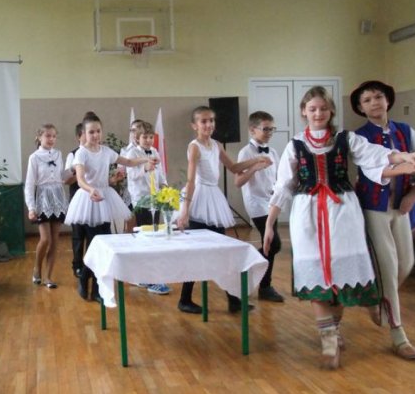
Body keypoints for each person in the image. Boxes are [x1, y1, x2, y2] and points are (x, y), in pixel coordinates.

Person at [263, 86, 415, 369]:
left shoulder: (345, 139)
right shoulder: (295, 145)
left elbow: (375, 155)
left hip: (343, 213)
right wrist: (270, 224)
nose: (318, 113)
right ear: (304, 112)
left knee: (342, 276)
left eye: (323, 108)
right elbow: (284, 185)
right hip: (307, 215)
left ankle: (336, 328)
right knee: (315, 275)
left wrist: (403, 158)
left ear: (331, 111)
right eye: (312, 109)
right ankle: (328, 340)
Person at [351, 80, 415, 360]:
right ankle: (399, 336)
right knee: (387, 268)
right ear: (361, 107)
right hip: (373, 209)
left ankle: (375, 298)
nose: (374, 103)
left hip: (400, 208)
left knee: (405, 264)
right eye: (367, 100)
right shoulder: (358, 137)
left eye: (378, 97)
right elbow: (373, 169)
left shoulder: (405, 131)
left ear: (388, 100)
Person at [176, 106, 271, 314]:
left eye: (211, 120)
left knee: (223, 251)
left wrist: (256, 161)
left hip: (214, 199)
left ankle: (233, 299)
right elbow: (191, 181)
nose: (209, 124)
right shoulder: (194, 147)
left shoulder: (217, 145)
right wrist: (185, 210)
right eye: (203, 121)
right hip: (200, 199)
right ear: (194, 126)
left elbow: (234, 168)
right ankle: (184, 299)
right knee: (196, 253)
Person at [65, 112, 156, 302]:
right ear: (84, 133)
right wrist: (91, 189)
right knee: (94, 245)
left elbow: (128, 162)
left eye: (98, 131)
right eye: (91, 132)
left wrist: (145, 160)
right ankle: (87, 281)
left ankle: (94, 287)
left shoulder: (106, 151)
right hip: (89, 201)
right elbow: (80, 180)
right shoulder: (81, 153)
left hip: (105, 198)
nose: (95, 135)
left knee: (104, 245)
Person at [235, 111, 284, 303]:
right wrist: (254, 167)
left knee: (269, 243)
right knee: (274, 243)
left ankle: (265, 286)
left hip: (271, 202)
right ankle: (246, 267)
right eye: (266, 129)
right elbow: (238, 182)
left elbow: (278, 178)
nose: (270, 132)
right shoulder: (245, 152)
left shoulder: (273, 152)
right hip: (256, 203)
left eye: (272, 129)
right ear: (252, 130)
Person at [125, 121, 171, 295]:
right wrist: (144, 168)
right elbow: (131, 175)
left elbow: (160, 172)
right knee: (145, 237)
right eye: (145, 137)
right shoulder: (132, 153)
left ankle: (149, 275)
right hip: (141, 199)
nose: (148, 140)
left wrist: (164, 185)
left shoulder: (155, 151)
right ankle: (146, 276)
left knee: (155, 236)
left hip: (155, 198)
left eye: (151, 137)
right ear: (137, 138)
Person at [24, 124, 68, 289]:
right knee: (45, 239)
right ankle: (37, 268)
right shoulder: (34, 157)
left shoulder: (58, 154)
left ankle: (49, 276)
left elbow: (61, 176)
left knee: (55, 240)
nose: (51, 139)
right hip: (43, 198)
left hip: (58, 197)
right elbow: (29, 184)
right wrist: (31, 207)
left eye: (54, 136)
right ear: (39, 137)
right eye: (48, 136)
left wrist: (74, 170)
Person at [64, 123, 87, 278]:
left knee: (93, 234)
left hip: (93, 199)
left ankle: (91, 266)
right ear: (79, 136)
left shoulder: (97, 152)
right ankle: (77, 265)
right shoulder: (72, 155)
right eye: (87, 133)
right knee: (78, 234)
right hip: (78, 199)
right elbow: (66, 180)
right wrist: (79, 174)